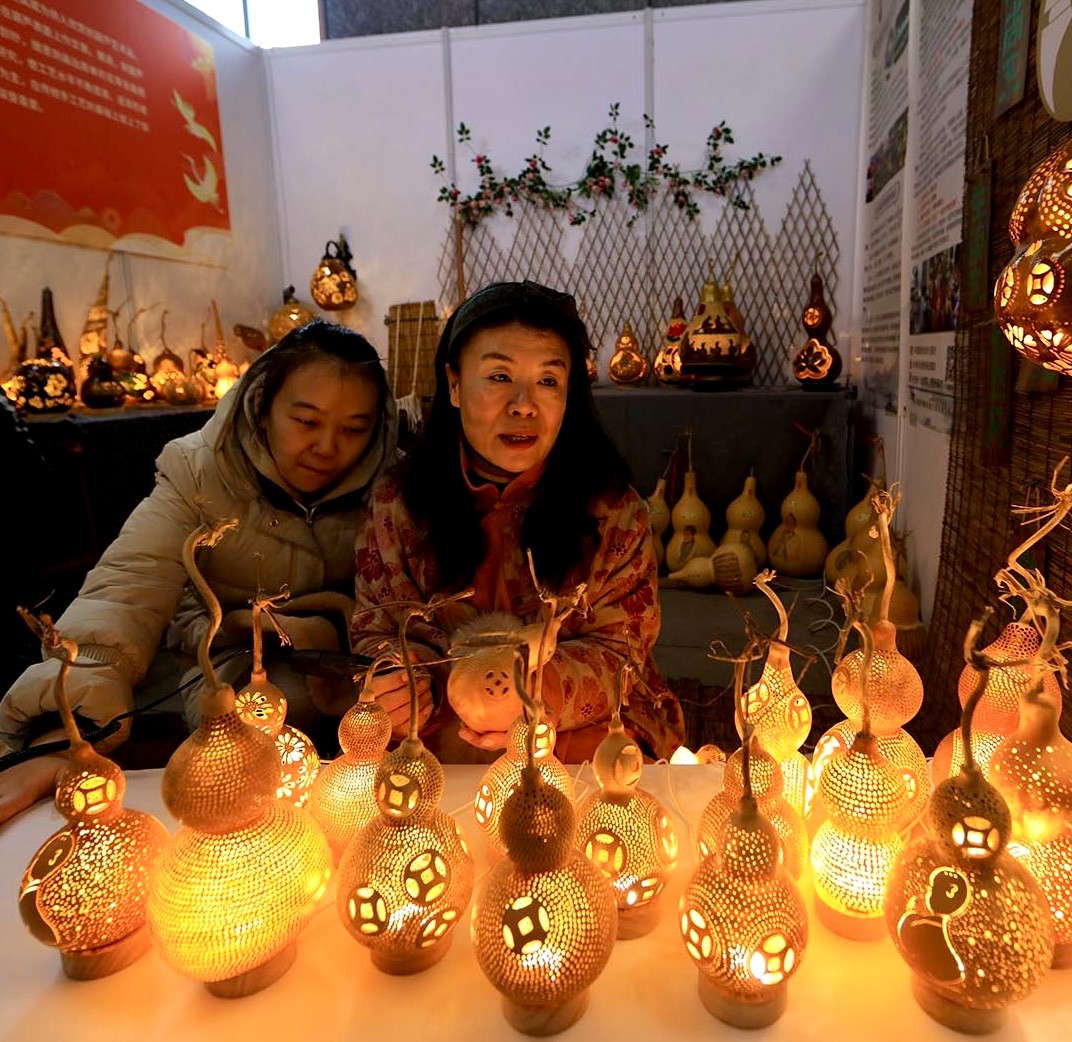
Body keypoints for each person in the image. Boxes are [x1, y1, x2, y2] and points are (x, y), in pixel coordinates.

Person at [0, 321, 398, 823]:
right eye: (305, 421)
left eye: (354, 429)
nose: (326, 447)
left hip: (344, 666)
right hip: (214, 656)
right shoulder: (200, 471)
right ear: (262, 404)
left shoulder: (393, 485)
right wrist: (64, 733)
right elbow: (126, 589)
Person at [352, 280, 685, 762]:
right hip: (440, 728)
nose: (524, 405)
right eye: (499, 376)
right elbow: (376, 628)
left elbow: (620, 649)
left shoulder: (613, 510)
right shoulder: (397, 504)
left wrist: (531, 694)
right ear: (454, 384)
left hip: (580, 727)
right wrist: (406, 684)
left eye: (548, 381)